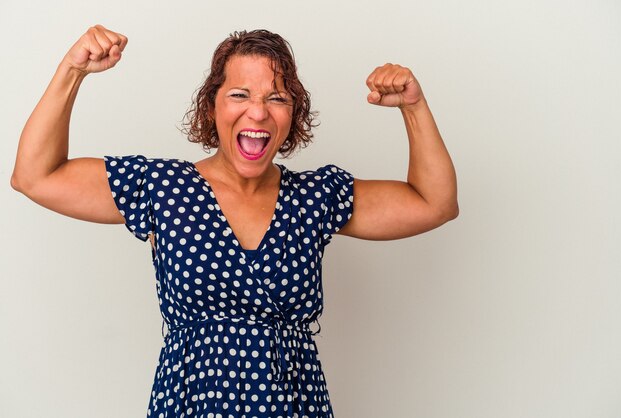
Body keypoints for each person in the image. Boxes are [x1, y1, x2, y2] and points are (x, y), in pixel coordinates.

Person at [11, 24, 458, 417]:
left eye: (276, 98)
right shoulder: (162, 188)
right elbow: (35, 175)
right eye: (240, 95)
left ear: (292, 115)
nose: (258, 112)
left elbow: (433, 202)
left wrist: (413, 107)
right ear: (212, 107)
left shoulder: (316, 197)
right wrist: (72, 71)